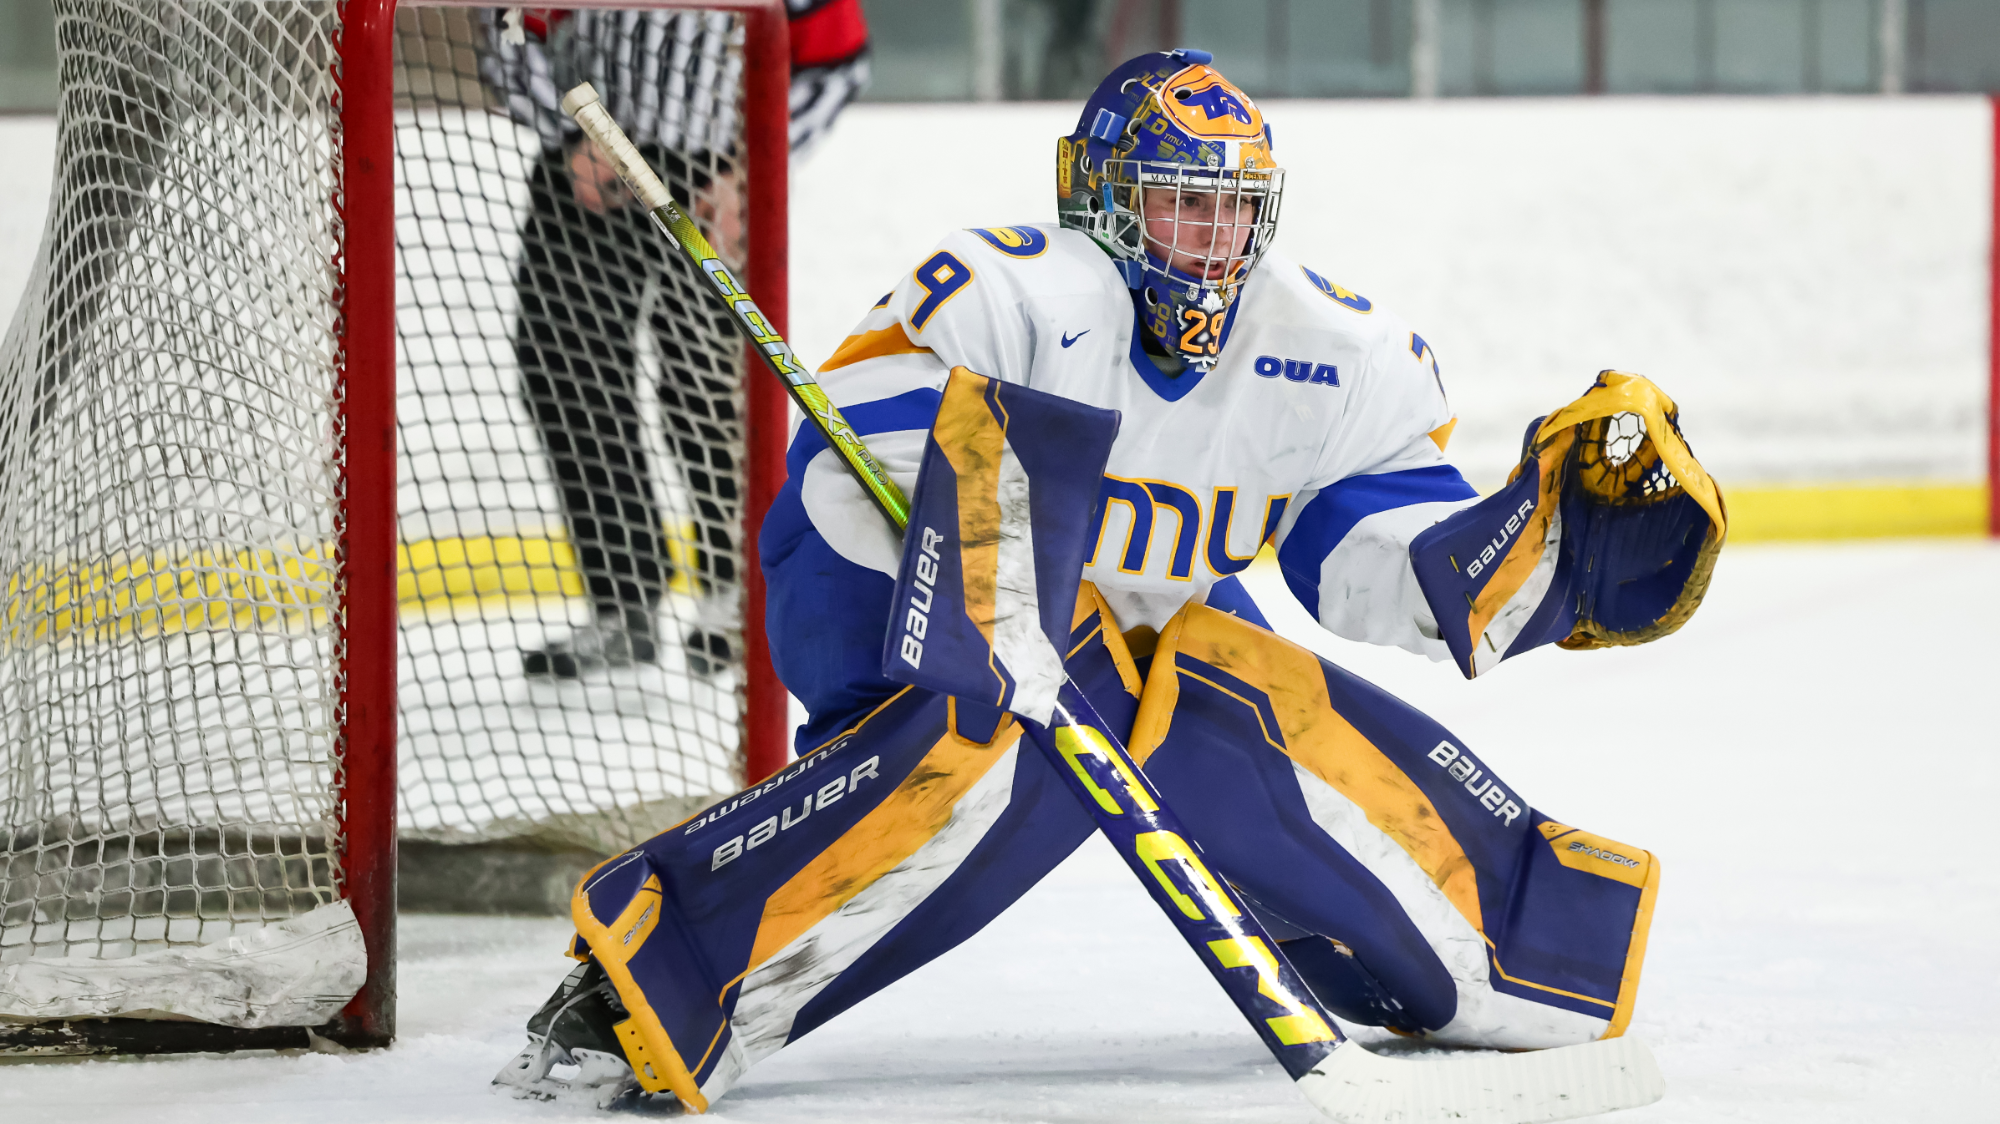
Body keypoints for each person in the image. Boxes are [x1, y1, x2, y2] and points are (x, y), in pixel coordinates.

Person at [495, 50, 1721, 1111]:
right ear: (1100, 197)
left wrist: (1533, 552)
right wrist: (988, 548)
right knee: (1014, 728)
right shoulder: (1009, 289)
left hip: (1125, 627)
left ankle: (1511, 954)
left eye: (1233, 214)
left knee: (1243, 705)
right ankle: (653, 973)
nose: (1212, 246)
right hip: (882, 603)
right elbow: (842, 469)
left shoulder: (1327, 354)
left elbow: (1373, 565)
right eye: (1180, 209)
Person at [481, 1, 870, 677]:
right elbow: (508, 31)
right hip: (581, 175)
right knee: (567, 381)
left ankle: (733, 598)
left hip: (709, 177)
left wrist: (750, 167)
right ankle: (621, 603)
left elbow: (837, 63)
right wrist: (574, 130)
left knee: (707, 388)